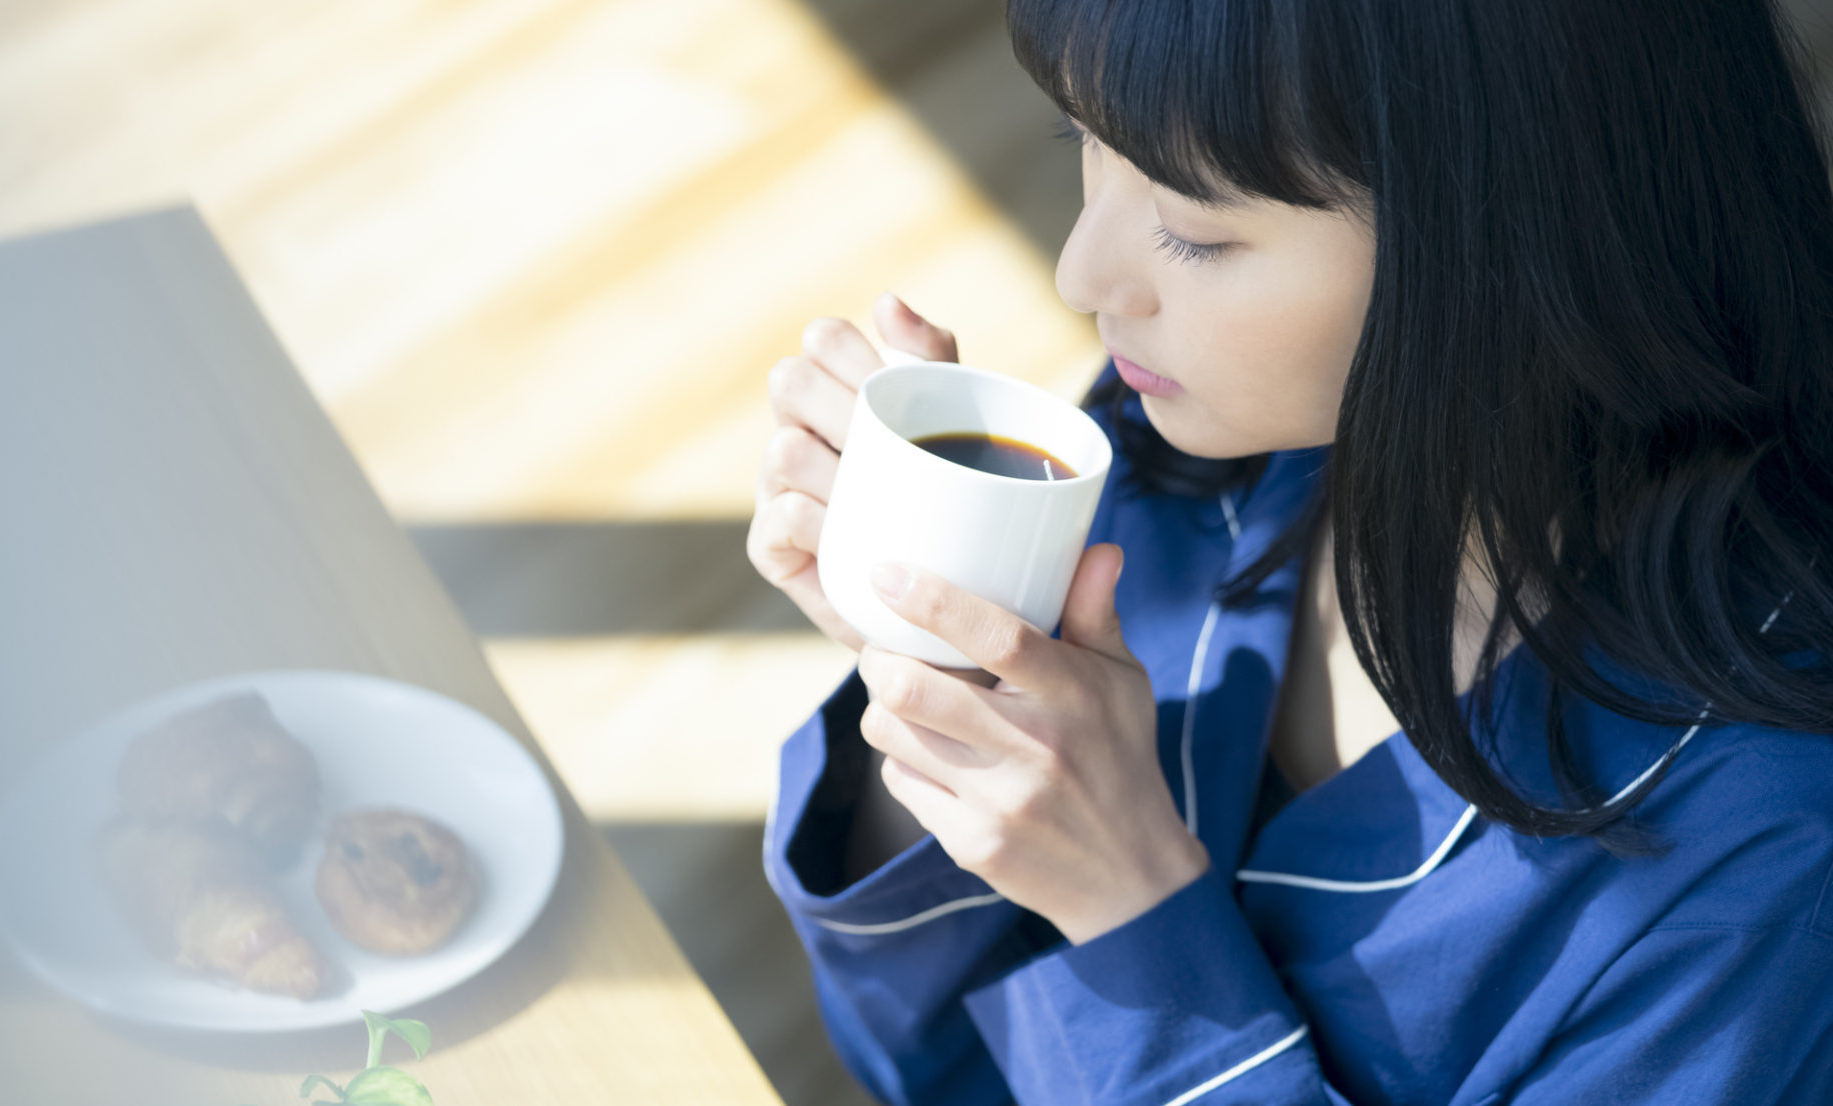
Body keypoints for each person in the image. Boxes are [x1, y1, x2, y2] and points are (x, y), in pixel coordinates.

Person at [743, 0, 1833, 1101]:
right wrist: (945, 676)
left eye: (1195, 229)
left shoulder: (1761, 859)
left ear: (1516, 236)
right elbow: (937, 1074)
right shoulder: (1192, 448)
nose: (1082, 274)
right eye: (1088, 146)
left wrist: (1133, 913)